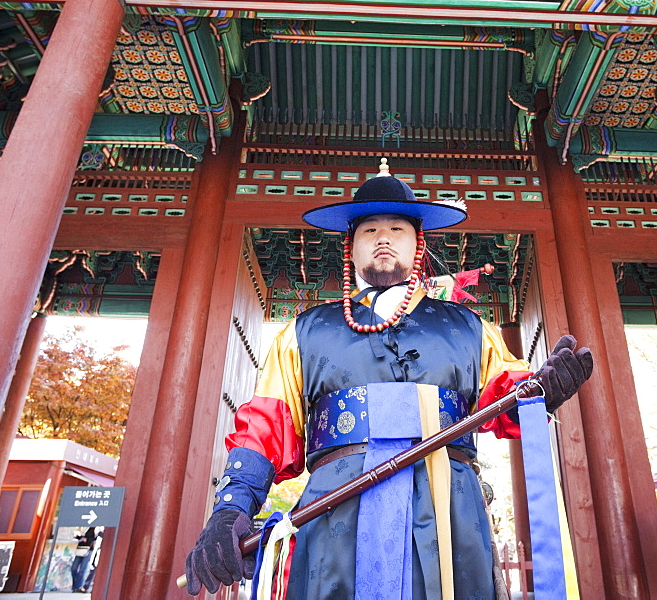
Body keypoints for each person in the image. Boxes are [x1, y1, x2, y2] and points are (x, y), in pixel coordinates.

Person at [185, 161, 594, 598]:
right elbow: (266, 427)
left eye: (397, 228)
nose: (383, 237)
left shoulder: (470, 328)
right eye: (369, 230)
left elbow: (509, 393)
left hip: (448, 508)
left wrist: (542, 393)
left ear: (418, 243)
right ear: (351, 247)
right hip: (336, 507)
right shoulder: (302, 333)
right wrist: (232, 509)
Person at [71, 526, 97, 592]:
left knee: (82, 569)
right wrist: (80, 537)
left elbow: (94, 538)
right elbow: (79, 537)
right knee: (73, 568)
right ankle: (76, 585)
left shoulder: (93, 528)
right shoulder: (81, 528)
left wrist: (85, 539)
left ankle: (78, 587)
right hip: (80, 549)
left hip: (88, 550)